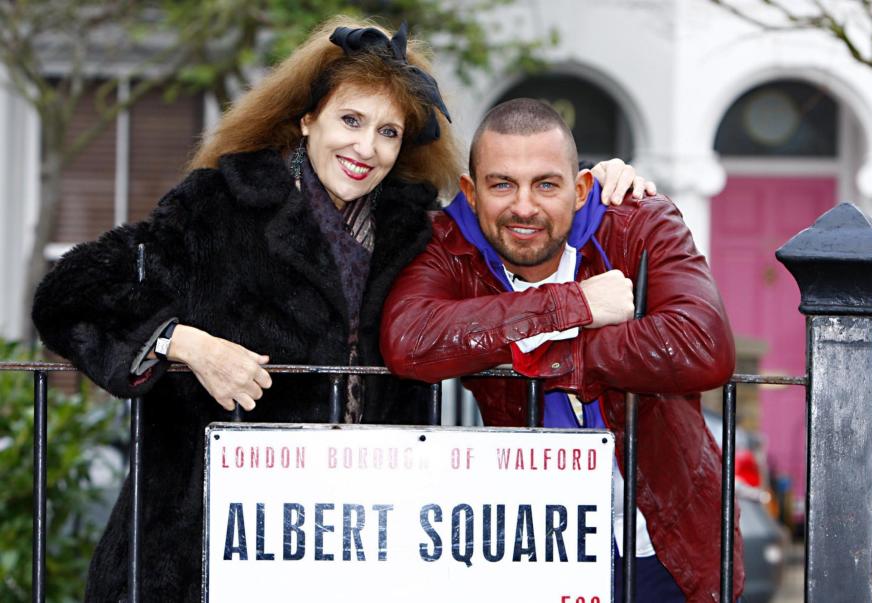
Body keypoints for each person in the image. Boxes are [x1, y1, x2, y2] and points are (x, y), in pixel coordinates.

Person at [32, 18, 649, 600]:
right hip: (198, 548)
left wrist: (602, 191)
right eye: (350, 120)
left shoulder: (418, 230)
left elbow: (521, 233)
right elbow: (70, 292)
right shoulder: (219, 202)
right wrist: (184, 343)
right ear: (306, 120)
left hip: (359, 550)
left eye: (388, 131)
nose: (366, 147)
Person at [381, 98, 744, 602]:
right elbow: (409, 342)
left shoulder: (638, 221)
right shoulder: (449, 246)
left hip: (664, 537)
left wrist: (548, 355)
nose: (524, 206)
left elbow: (703, 344)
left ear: (580, 189)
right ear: (471, 191)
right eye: (502, 184)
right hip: (535, 545)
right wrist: (570, 306)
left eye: (546, 184)